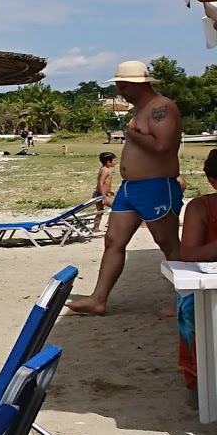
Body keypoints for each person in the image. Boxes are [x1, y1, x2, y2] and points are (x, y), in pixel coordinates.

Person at [67, 61, 183, 316]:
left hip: (156, 185)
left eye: (122, 85)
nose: (120, 91)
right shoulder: (140, 110)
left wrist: (131, 135)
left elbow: (164, 146)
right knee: (113, 240)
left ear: (136, 85)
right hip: (130, 189)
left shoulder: (162, 108)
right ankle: (98, 299)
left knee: (168, 242)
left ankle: (183, 300)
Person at [173, 149, 217, 391]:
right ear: (212, 183)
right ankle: (204, 374)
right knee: (189, 305)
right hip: (209, 286)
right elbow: (188, 254)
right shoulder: (201, 207)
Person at [91, 152, 118, 234]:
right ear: (108, 162)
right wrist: (103, 195)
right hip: (101, 195)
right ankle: (108, 224)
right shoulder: (106, 171)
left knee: (100, 212)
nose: (115, 162)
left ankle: (95, 227)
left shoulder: (103, 169)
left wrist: (110, 191)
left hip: (98, 194)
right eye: (114, 160)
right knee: (116, 207)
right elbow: (101, 182)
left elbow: (106, 184)